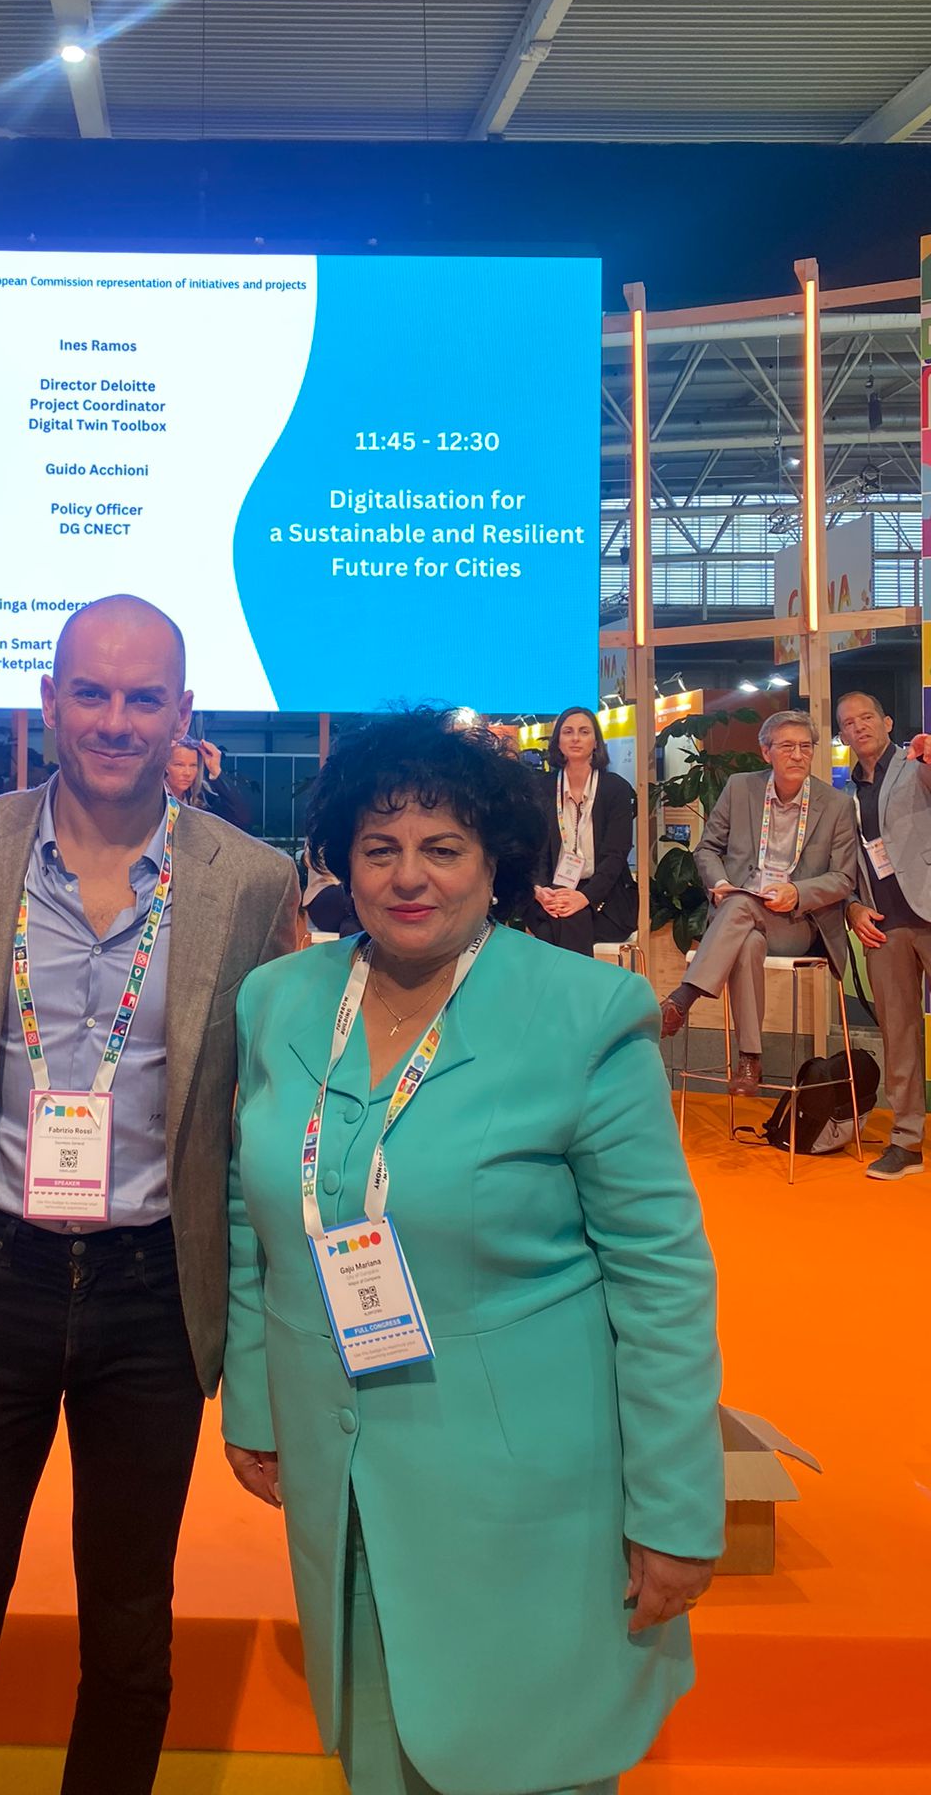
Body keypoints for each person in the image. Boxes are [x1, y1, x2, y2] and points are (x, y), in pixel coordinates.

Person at [221, 709, 724, 1795]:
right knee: (380, 1753)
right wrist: (254, 1402)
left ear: (495, 859)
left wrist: (677, 1506)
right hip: (341, 1478)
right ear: (341, 860)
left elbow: (661, 1277)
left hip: (529, 1496)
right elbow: (249, 1211)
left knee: (529, 1758)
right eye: (379, 847)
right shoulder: (279, 1000)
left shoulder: (586, 1012)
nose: (410, 876)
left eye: (442, 847)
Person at [0, 594, 299, 1795]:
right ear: (50, 699)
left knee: (128, 1628)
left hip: (153, 1291)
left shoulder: (250, 879)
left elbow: (265, 1094)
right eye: (93, 692)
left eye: (144, 696)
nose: (116, 720)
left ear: (183, 712)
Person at [659, 710, 856, 1094]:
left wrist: (797, 892)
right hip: (742, 915)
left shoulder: (835, 804)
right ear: (766, 752)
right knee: (746, 935)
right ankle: (750, 1059)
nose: (798, 755)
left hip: (796, 922)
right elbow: (707, 849)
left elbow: (844, 878)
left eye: (805, 747)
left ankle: (683, 998)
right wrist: (720, 883)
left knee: (738, 908)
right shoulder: (740, 788)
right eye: (787, 746)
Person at [837, 691, 931, 1182]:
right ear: (842, 735)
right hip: (883, 925)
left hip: (929, 910)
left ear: (887, 722)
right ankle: (907, 1141)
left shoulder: (915, 765)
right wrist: (852, 907)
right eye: (849, 723)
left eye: (867, 717)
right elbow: (846, 862)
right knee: (899, 1034)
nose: (859, 727)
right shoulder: (845, 791)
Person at [525, 705, 637, 957]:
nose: (575, 738)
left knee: (564, 922)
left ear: (596, 742)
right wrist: (541, 890)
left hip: (605, 898)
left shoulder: (615, 789)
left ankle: (561, 984)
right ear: (558, 741)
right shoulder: (541, 789)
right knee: (562, 915)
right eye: (568, 732)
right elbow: (535, 849)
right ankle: (580, 984)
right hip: (551, 893)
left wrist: (584, 898)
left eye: (584, 732)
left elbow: (616, 855)